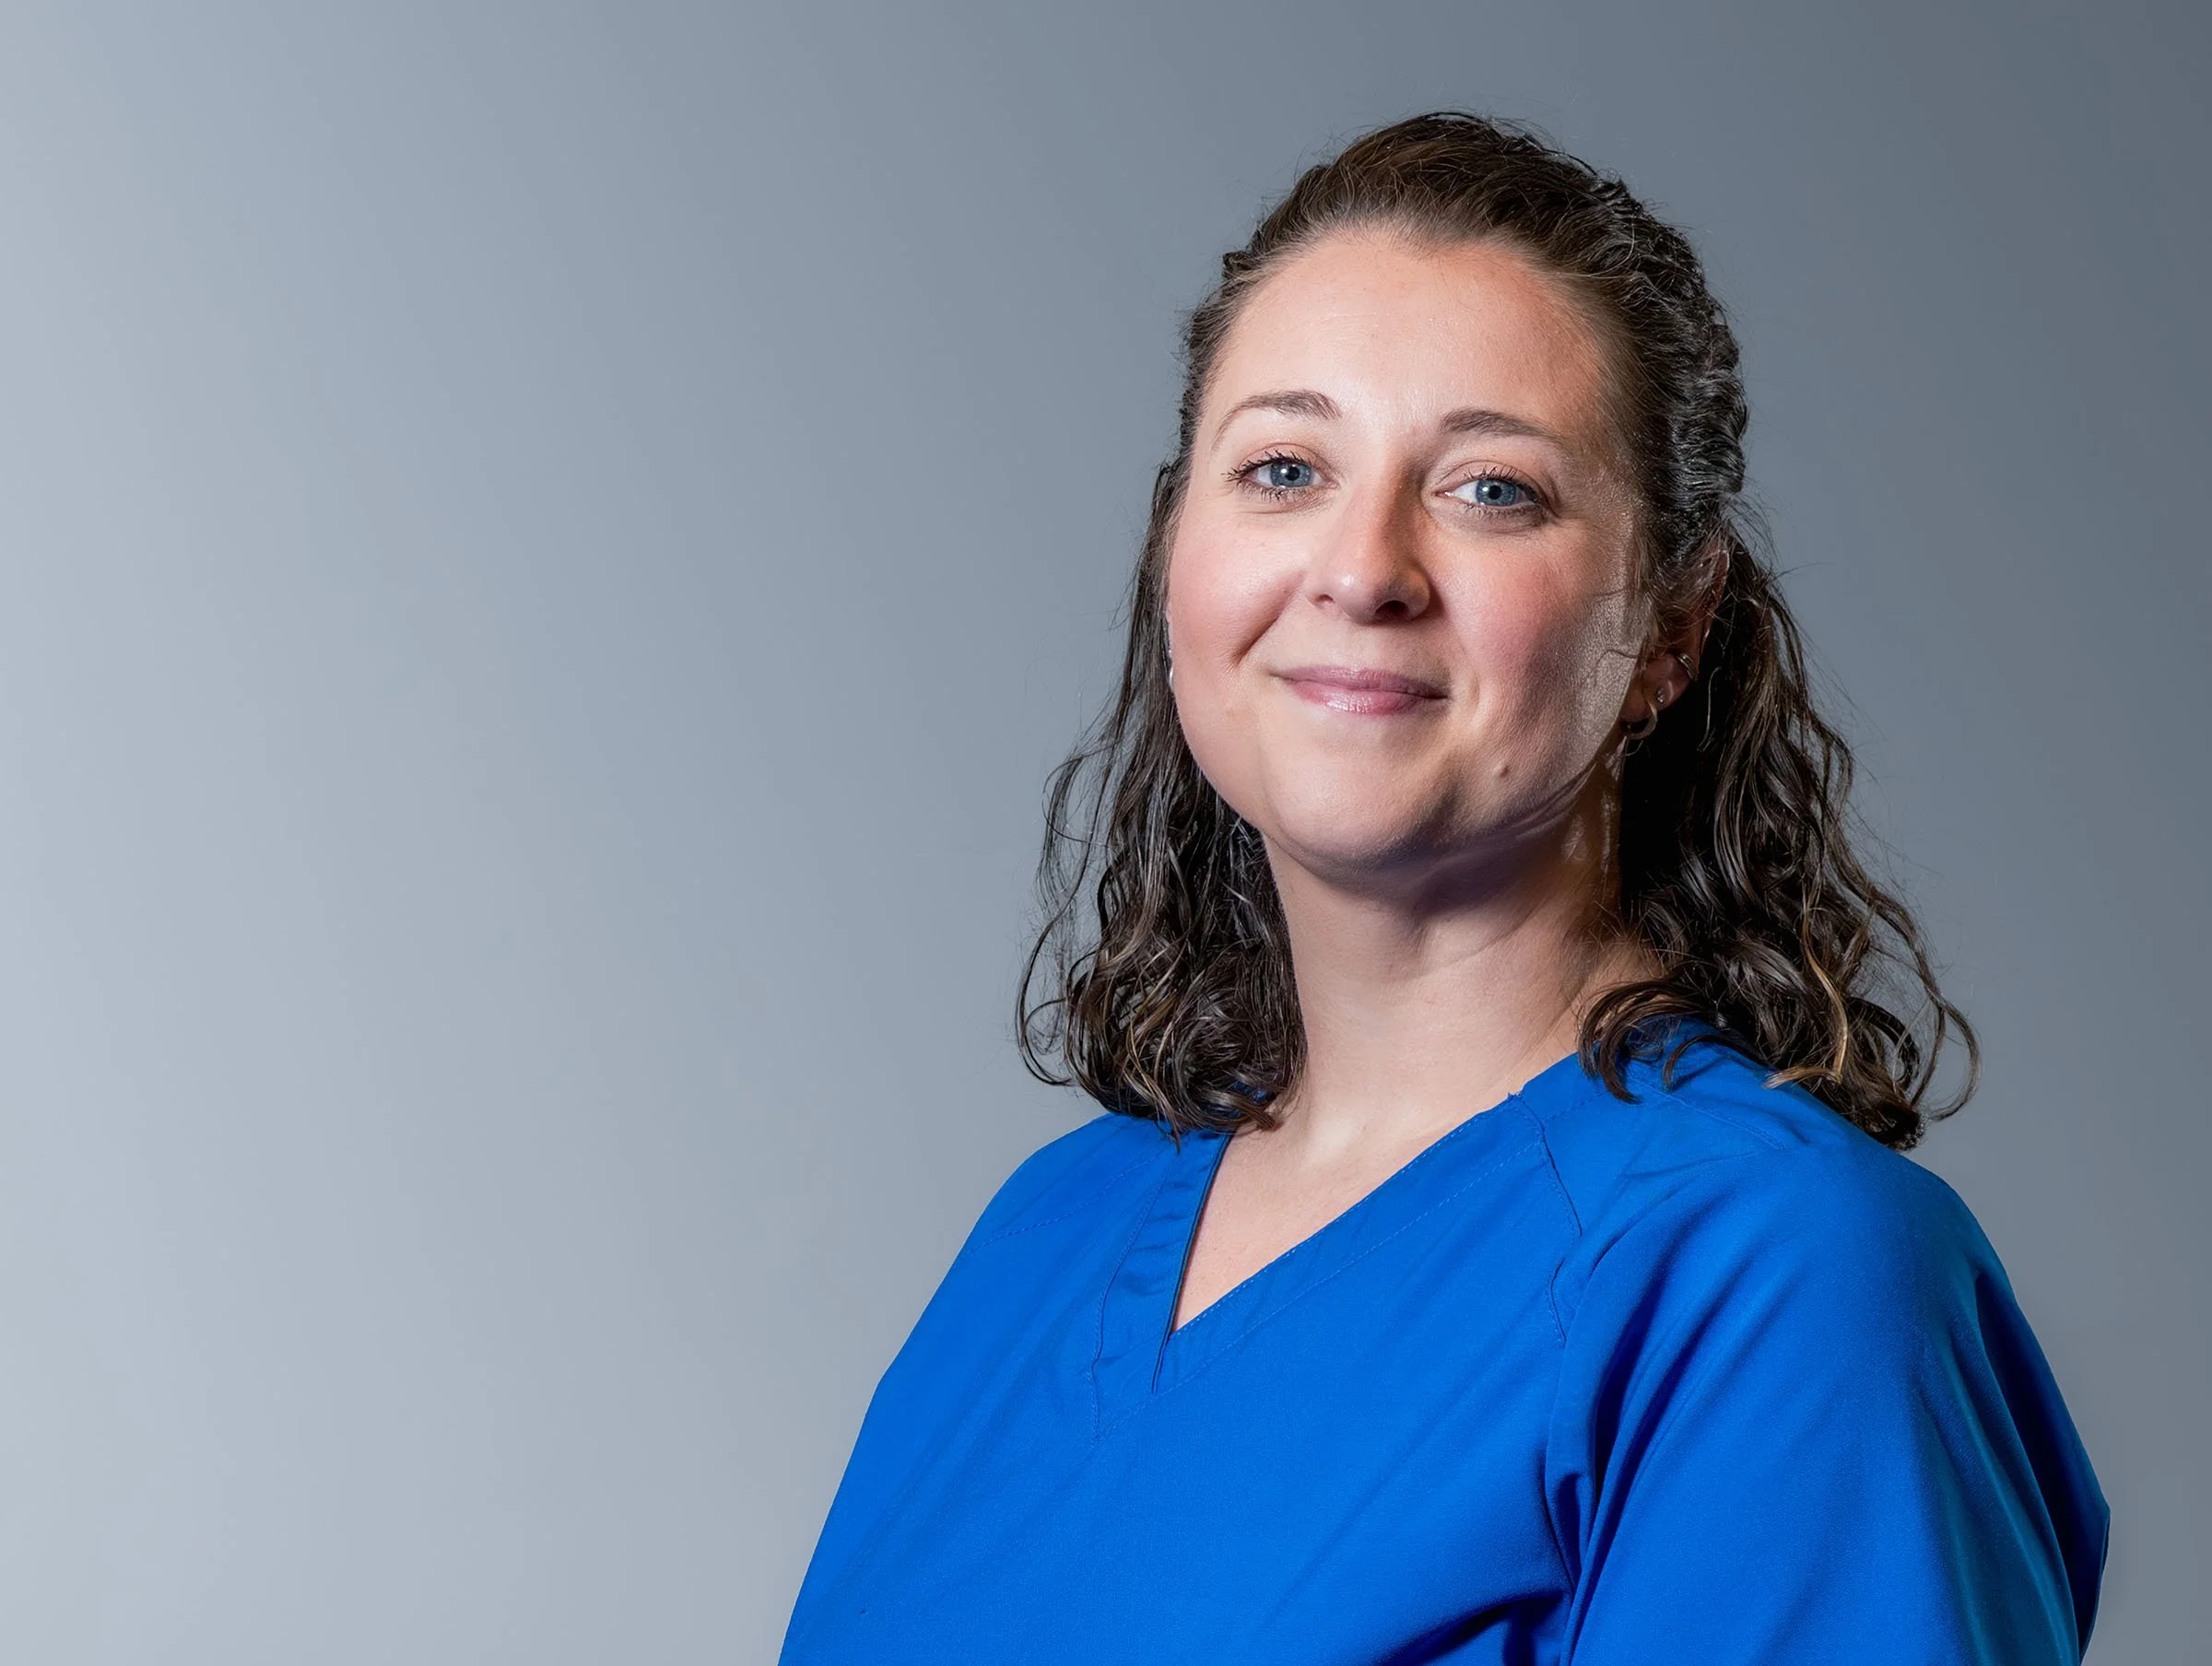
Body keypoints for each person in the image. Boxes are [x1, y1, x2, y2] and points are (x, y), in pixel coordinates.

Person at [775, 112, 2110, 1663]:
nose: (1362, 567)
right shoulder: (1052, 1234)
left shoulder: (1784, 1282)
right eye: (1284, 467)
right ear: (1176, 558)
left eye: (1491, 491)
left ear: (1674, 626)